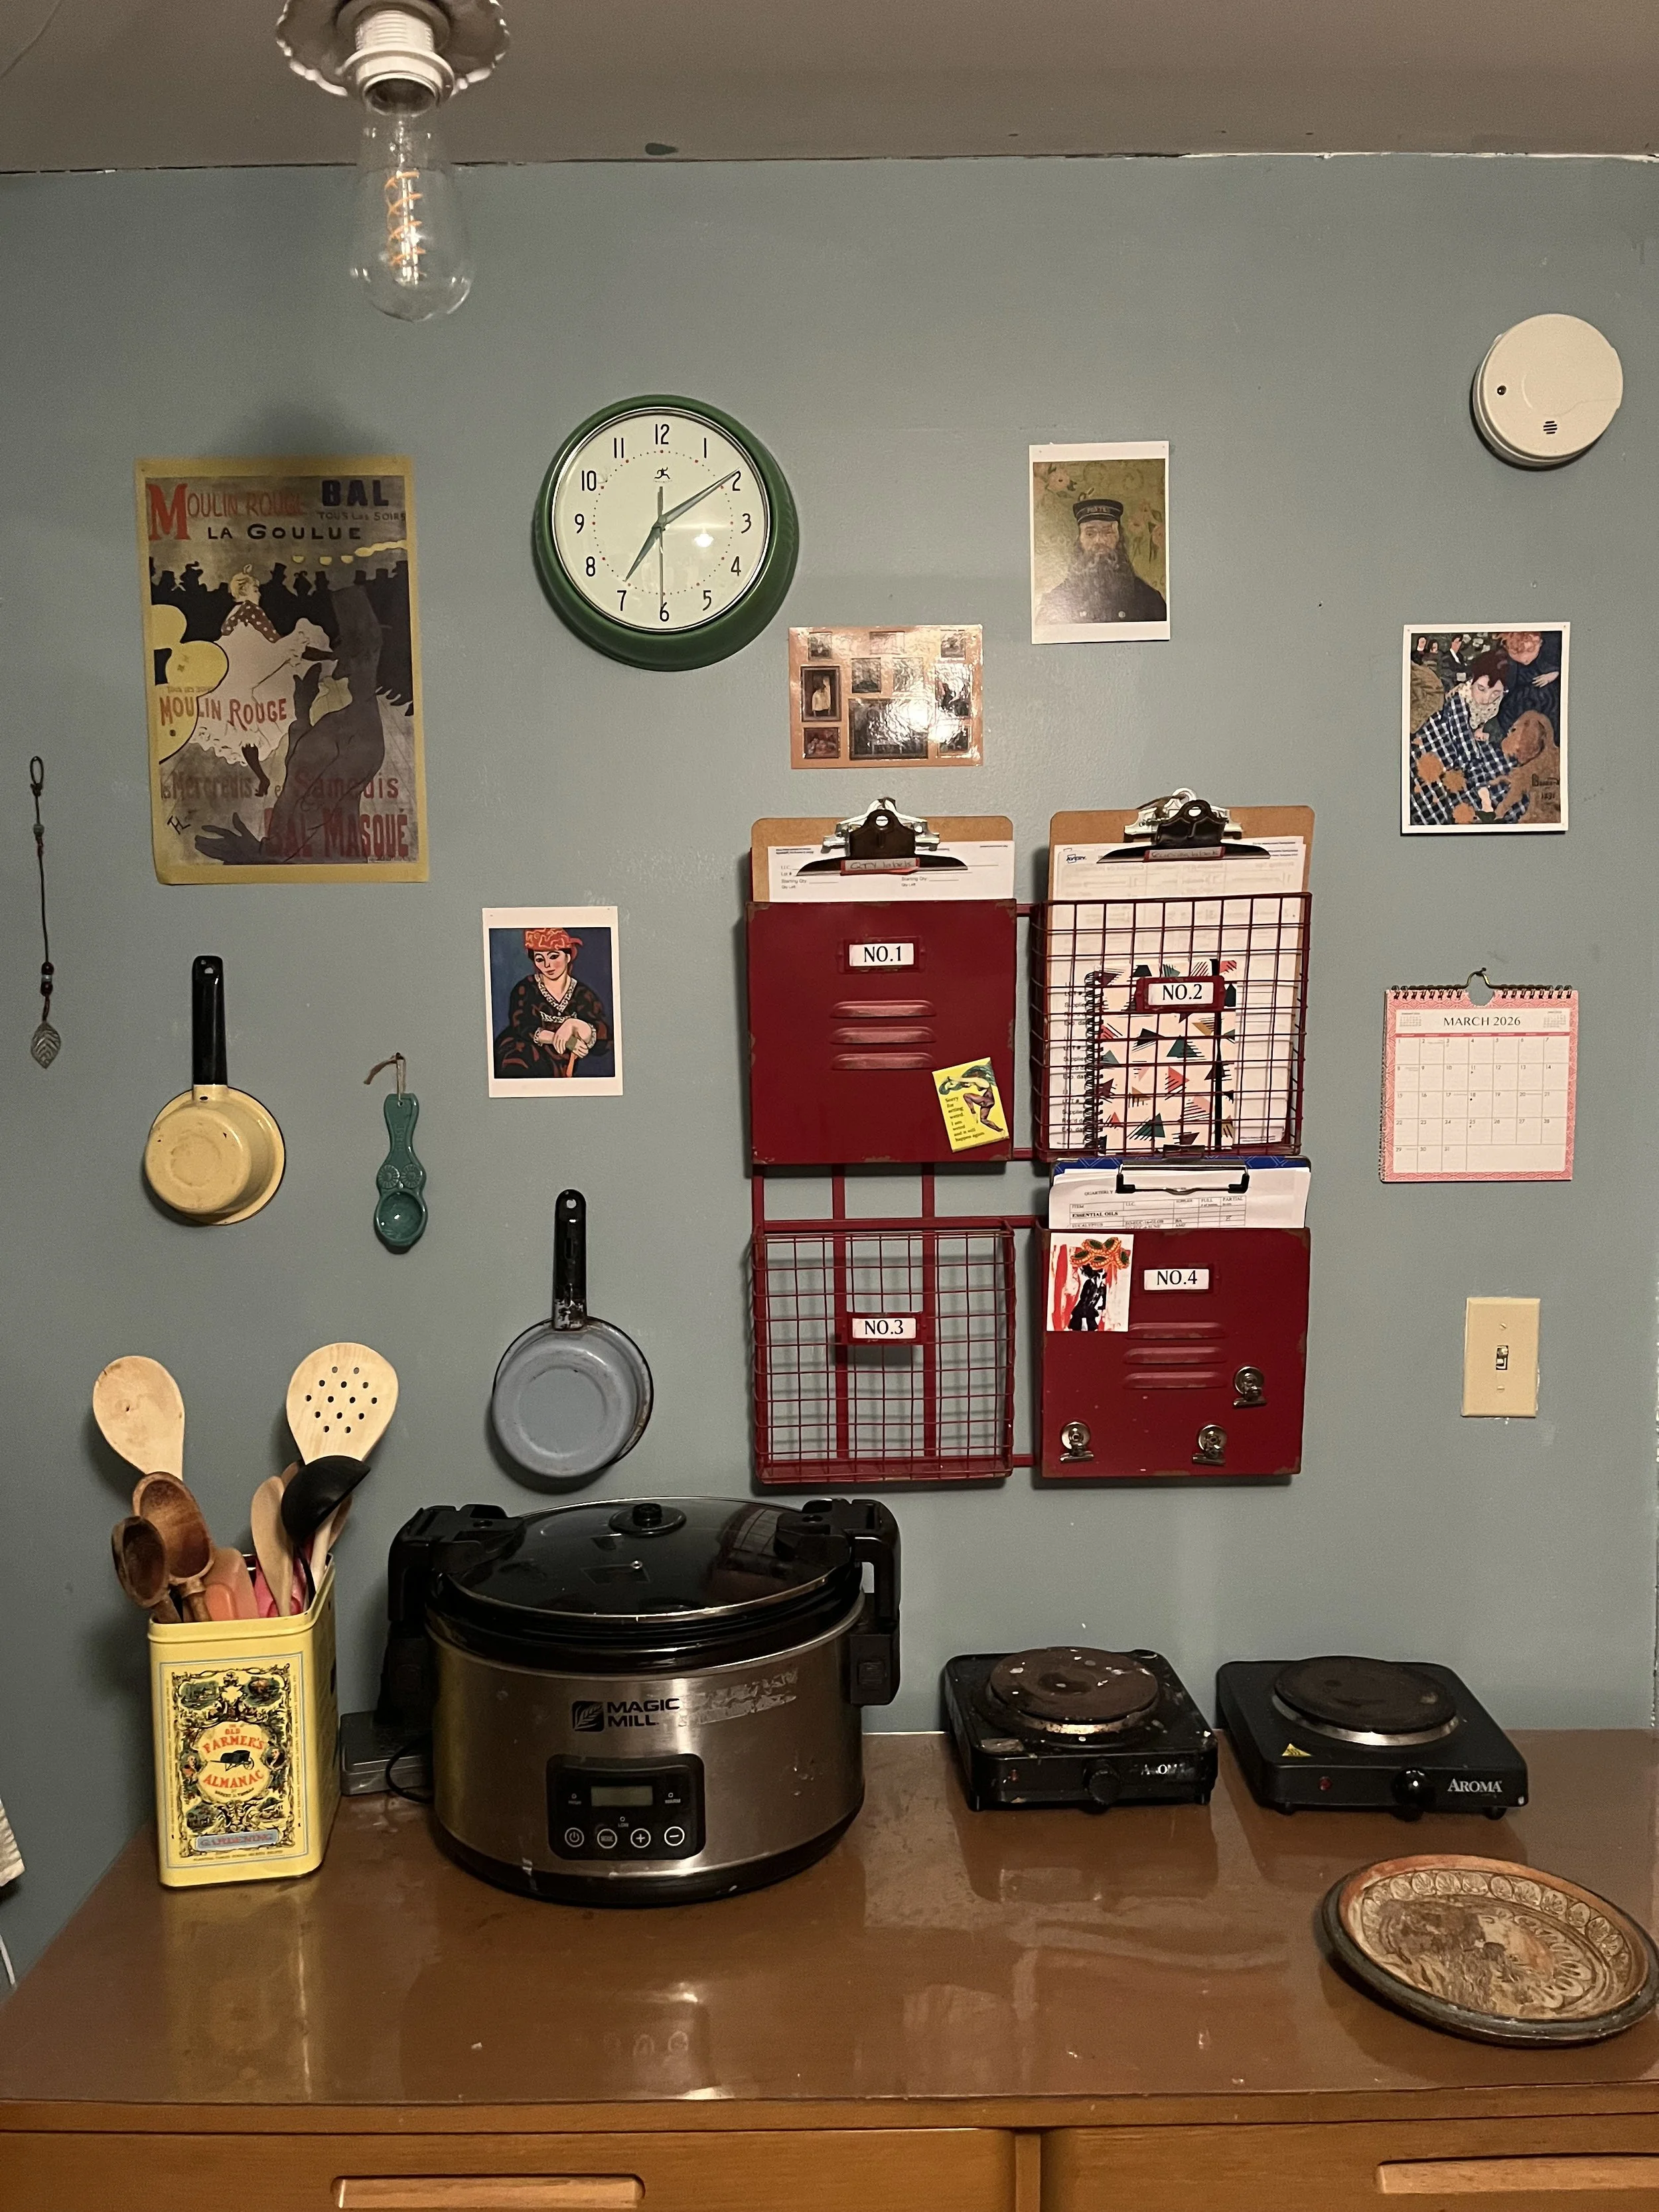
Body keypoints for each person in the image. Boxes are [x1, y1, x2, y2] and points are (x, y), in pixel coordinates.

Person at [1409, 646, 1512, 826]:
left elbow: (1497, 728)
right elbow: (1467, 751)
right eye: (1481, 689)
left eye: (1496, 693)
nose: (1487, 699)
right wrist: (1485, 798)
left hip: (1468, 746)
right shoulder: (1459, 700)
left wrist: (1485, 731)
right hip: (1443, 741)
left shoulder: (1498, 704)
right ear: (1472, 681)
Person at [494, 927, 610, 1078]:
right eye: (540, 959)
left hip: (566, 1062)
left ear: (568, 957)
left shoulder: (583, 994)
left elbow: (602, 1034)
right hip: (526, 1054)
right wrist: (567, 1041)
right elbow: (522, 1026)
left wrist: (573, 1025)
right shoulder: (526, 989)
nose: (547, 965)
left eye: (554, 956)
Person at [1037, 497, 1167, 628]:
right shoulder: (1054, 601)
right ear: (1079, 541)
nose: (1099, 541)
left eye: (1108, 532)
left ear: (1119, 539)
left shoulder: (1150, 600)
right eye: (1090, 534)